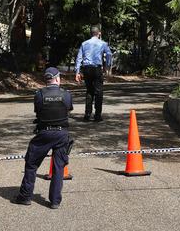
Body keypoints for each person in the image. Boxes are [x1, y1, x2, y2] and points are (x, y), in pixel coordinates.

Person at [12, 67, 73, 209]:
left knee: (31, 164)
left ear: (46, 80)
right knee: (59, 167)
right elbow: (68, 110)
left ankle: (25, 197)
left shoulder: (39, 94)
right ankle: (55, 201)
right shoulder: (66, 95)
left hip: (44, 134)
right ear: (57, 79)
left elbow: (38, 111)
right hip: (61, 134)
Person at [75, 25, 112, 122]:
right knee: (99, 92)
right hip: (96, 69)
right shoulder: (103, 43)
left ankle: (87, 114)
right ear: (99, 33)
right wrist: (107, 66)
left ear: (91, 33)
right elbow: (109, 54)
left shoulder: (84, 43)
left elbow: (79, 58)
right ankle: (97, 115)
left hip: (86, 69)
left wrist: (77, 72)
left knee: (89, 91)